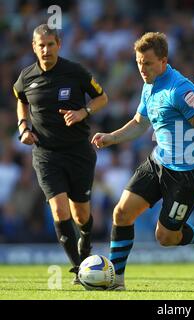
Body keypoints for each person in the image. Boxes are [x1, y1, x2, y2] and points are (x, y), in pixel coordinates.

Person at [92, 32, 194, 290]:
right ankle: (115, 280)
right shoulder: (148, 85)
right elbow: (140, 124)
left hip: (186, 174)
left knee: (165, 237)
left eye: (148, 63)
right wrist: (111, 138)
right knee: (122, 213)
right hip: (157, 162)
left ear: (163, 61)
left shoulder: (180, 89)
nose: (142, 69)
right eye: (139, 63)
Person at [13, 24, 108, 284]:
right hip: (46, 154)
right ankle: (80, 269)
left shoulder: (75, 72)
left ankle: (85, 243)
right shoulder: (26, 77)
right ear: (34, 47)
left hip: (78, 152)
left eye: (50, 44)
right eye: (40, 45)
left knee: (81, 215)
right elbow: (21, 99)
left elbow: (102, 98)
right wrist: (23, 127)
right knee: (58, 209)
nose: (46, 50)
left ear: (59, 45)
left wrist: (83, 112)